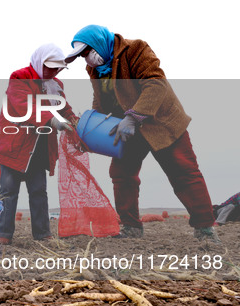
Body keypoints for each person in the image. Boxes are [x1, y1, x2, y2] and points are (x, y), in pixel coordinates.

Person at [65, 24, 220, 244]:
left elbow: (156, 84)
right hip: (127, 129)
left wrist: (134, 116)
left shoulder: (135, 50)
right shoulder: (95, 70)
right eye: (82, 56)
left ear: (99, 42)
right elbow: (101, 101)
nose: (87, 59)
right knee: (121, 173)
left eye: (87, 52)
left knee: (184, 171)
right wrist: (89, 130)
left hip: (160, 122)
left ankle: (205, 227)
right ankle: (130, 227)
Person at [0, 44, 78, 245]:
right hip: (15, 144)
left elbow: (63, 107)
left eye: (57, 69)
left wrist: (73, 120)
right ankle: (4, 235)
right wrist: (52, 119)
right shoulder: (19, 77)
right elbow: (24, 105)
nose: (53, 72)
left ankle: (42, 233)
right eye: (50, 67)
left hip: (40, 146)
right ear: (40, 62)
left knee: (39, 191)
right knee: (9, 191)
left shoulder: (56, 85)